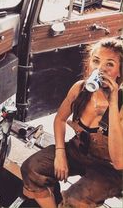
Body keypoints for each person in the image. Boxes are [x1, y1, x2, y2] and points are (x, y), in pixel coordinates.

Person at [21, 37, 123, 208]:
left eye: (109, 64)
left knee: (76, 199)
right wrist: (60, 153)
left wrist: (113, 103)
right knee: (31, 169)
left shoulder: (120, 105)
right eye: (96, 61)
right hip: (79, 152)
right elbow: (60, 119)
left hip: (109, 168)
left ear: (119, 72)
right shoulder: (79, 89)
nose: (100, 69)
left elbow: (119, 161)